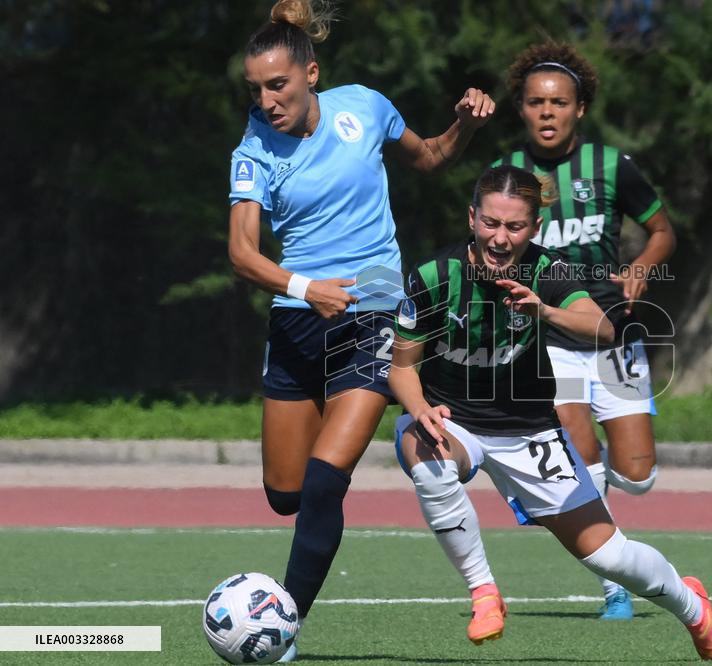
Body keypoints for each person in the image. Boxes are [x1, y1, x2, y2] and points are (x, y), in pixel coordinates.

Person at [227, 1, 494, 660]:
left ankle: (281, 628)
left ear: (311, 74)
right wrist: (303, 287)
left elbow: (429, 157)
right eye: (256, 90)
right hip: (296, 326)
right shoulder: (253, 148)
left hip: (374, 315)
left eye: (278, 86)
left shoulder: (365, 107)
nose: (267, 101)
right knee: (286, 496)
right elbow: (242, 252)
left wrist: (462, 123)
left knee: (325, 483)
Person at [389, 165, 712, 661]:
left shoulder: (549, 271)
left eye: (514, 227)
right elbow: (402, 367)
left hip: (529, 431)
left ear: (533, 229)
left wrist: (544, 313)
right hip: (456, 422)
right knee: (421, 446)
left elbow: (604, 329)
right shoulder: (432, 276)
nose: (500, 238)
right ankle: (484, 592)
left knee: (610, 556)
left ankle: (694, 608)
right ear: (471, 218)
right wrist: (420, 407)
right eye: (490, 223)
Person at [492, 41, 675, 620]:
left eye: (559, 102)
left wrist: (642, 268)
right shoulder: (508, 179)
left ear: (580, 109)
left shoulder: (612, 166)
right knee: (583, 459)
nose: (547, 112)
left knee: (638, 477)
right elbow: (488, 247)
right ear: (521, 109)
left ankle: (613, 507)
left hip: (612, 336)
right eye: (535, 102)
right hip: (548, 343)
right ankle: (614, 583)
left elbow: (663, 231)